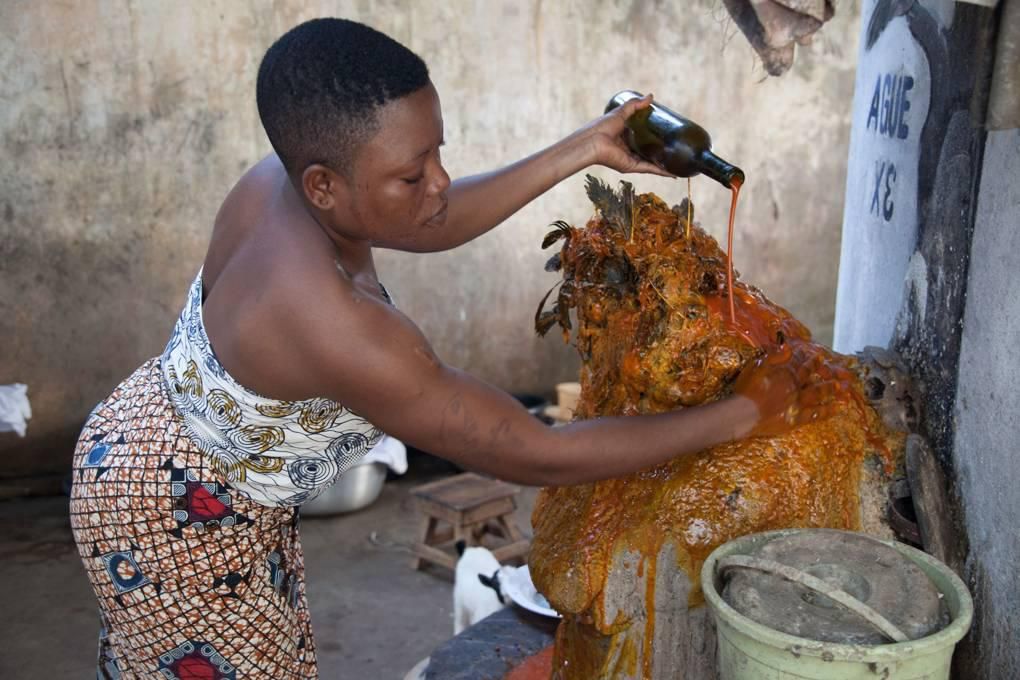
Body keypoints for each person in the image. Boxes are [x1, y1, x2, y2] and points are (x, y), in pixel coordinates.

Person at [69, 17, 822, 679]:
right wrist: (741, 416)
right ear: (327, 183)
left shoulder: (285, 182)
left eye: (437, 153)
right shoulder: (335, 324)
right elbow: (528, 449)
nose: (439, 182)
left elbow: (432, 214)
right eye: (412, 173)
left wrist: (587, 147)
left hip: (132, 438)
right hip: (178, 518)